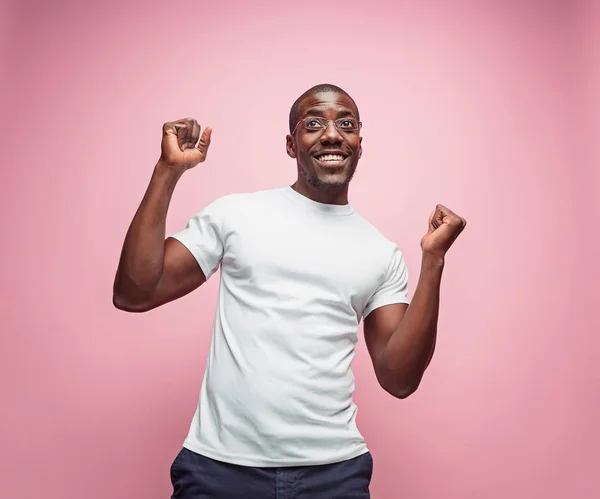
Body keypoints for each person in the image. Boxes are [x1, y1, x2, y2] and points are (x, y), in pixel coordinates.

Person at [113, 83, 467, 498]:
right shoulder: (236, 215)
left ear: (358, 144)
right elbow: (135, 293)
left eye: (346, 125)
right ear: (290, 144)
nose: (332, 134)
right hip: (220, 470)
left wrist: (434, 261)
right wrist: (167, 171)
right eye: (314, 123)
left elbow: (399, 379)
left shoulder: (381, 252)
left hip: (333, 476)